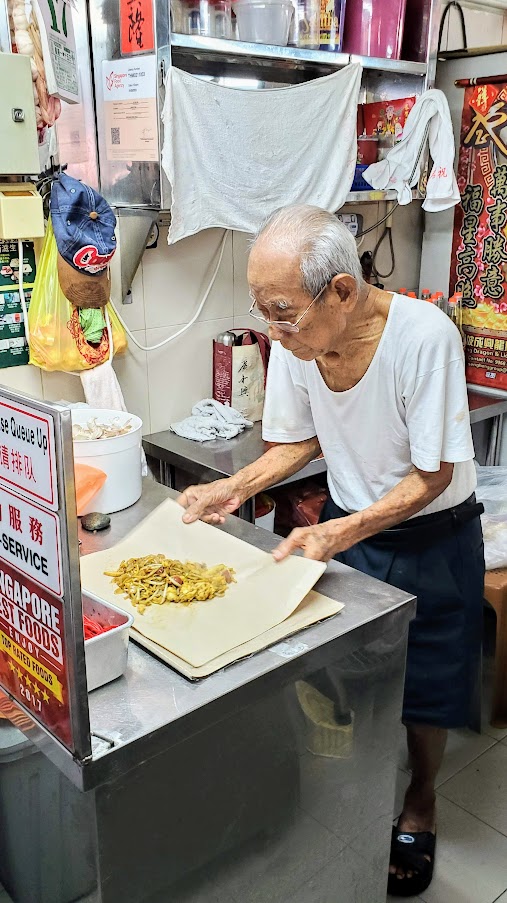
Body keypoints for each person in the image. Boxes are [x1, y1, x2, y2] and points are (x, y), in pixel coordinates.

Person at [178, 205, 485, 898]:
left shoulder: (422, 337)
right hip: (352, 525)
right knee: (356, 671)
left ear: (341, 292)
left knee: (430, 683)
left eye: (285, 314)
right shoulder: (303, 343)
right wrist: (230, 487)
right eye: (267, 315)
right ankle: (353, 790)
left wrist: (338, 532)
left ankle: (421, 800)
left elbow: (432, 473)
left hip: (434, 534)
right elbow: (297, 440)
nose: (277, 334)